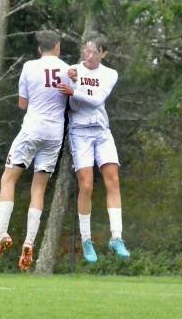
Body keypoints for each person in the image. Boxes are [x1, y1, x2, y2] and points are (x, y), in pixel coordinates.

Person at [0, 30, 72, 270]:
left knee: (8, 179)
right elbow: (71, 101)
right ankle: (29, 242)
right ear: (57, 46)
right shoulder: (68, 70)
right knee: (39, 187)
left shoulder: (29, 67)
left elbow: (22, 104)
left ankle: (1, 233)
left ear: (39, 49)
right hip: (54, 134)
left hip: (32, 130)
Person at [57, 34, 130, 262]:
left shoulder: (110, 74)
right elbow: (67, 97)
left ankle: (116, 237)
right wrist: (70, 82)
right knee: (86, 185)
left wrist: (75, 91)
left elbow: (97, 100)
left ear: (103, 54)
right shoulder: (73, 70)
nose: (88, 56)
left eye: (94, 53)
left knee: (113, 181)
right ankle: (87, 240)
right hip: (80, 132)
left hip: (101, 131)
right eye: (86, 51)